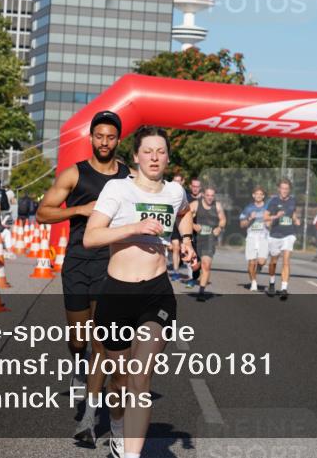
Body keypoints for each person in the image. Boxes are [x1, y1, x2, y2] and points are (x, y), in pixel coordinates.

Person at [84, 125, 196, 458]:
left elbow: (186, 213)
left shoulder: (175, 192)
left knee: (139, 376)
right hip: (116, 293)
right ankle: (117, 429)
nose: (154, 157)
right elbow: (91, 237)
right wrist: (134, 227)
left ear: (168, 157)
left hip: (156, 292)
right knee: (118, 382)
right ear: (135, 156)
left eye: (161, 151)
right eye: (148, 151)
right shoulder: (117, 190)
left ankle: (132, 455)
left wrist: (187, 241)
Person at [36, 110, 129, 448]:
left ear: (119, 140)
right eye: (99, 136)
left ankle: (88, 419)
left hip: (112, 267)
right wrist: (78, 209)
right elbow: (43, 212)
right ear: (91, 138)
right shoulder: (75, 174)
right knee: (79, 340)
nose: (104, 142)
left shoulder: (129, 180)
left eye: (111, 137)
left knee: (102, 343)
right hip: (77, 263)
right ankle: (78, 364)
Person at [265, 178, 300, 300]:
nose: (284, 191)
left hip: (289, 234)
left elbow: (293, 213)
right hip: (275, 234)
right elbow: (266, 217)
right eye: (282, 188)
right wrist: (276, 216)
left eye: (287, 188)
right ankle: (272, 283)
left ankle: (284, 288)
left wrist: (296, 220)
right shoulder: (273, 201)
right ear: (279, 189)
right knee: (273, 261)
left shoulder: (293, 201)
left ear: (289, 189)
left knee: (286, 260)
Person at [191, 186, 226, 302]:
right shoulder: (195, 204)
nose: (210, 198)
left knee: (206, 265)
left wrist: (219, 228)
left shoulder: (217, 205)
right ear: (203, 195)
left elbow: (223, 219)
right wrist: (193, 226)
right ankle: (196, 268)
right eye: (208, 195)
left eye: (212, 195)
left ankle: (201, 291)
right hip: (195, 239)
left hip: (209, 240)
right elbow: (185, 218)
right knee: (195, 266)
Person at [239, 187, 270, 291]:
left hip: (263, 237)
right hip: (251, 237)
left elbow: (272, 222)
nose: (259, 196)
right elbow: (242, 224)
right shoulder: (248, 208)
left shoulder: (268, 208)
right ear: (253, 195)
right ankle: (253, 282)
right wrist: (249, 218)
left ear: (263, 196)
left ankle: (259, 267)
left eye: (261, 194)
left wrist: (269, 222)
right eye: (257, 194)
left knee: (261, 262)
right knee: (251, 263)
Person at [168, 174, 186, 280]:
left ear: (183, 182)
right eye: (174, 181)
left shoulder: (186, 195)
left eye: (179, 181)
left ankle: (193, 274)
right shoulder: (170, 194)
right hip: (174, 223)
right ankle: (176, 272)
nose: (177, 183)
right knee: (175, 247)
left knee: (182, 249)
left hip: (185, 225)